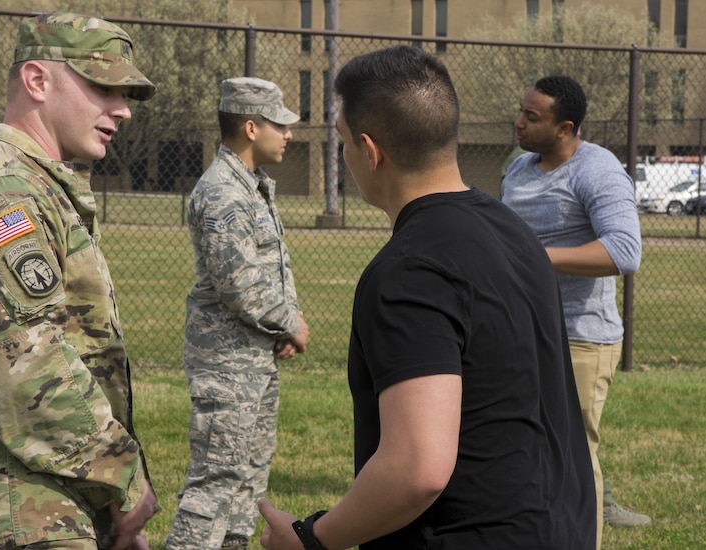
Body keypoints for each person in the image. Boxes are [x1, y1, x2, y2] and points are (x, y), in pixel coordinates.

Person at [258, 45, 595, 550]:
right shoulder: (512, 230)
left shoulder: (409, 270)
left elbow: (417, 469)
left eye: (343, 141)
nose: (345, 154)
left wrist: (311, 538)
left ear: (370, 152)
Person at [0, 13, 159, 550]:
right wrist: (120, 477)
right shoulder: (5, 194)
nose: (123, 109)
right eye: (103, 86)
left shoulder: (32, 189)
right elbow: (25, 360)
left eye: (125, 93)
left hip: (20, 506)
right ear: (38, 81)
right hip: (3, 514)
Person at [500, 75, 648, 547]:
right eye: (521, 111)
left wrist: (537, 256)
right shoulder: (519, 168)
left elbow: (625, 251)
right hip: (520, 330)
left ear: (565, 128)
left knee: (574, 457)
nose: (519, 122)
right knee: (521, 447)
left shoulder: (597, 169)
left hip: (580, 336)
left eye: (532, 116)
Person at [165, 77, 309, 550]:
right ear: (251, 127)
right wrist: (291, 323)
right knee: (216, 480)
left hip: (253, 354)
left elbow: (267, 271)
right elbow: (240, 284)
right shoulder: (224, 193)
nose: (288, 134)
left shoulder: (251, 185)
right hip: (227, 362)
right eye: (279, 125)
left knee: (247, 478)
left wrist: (282, 322)